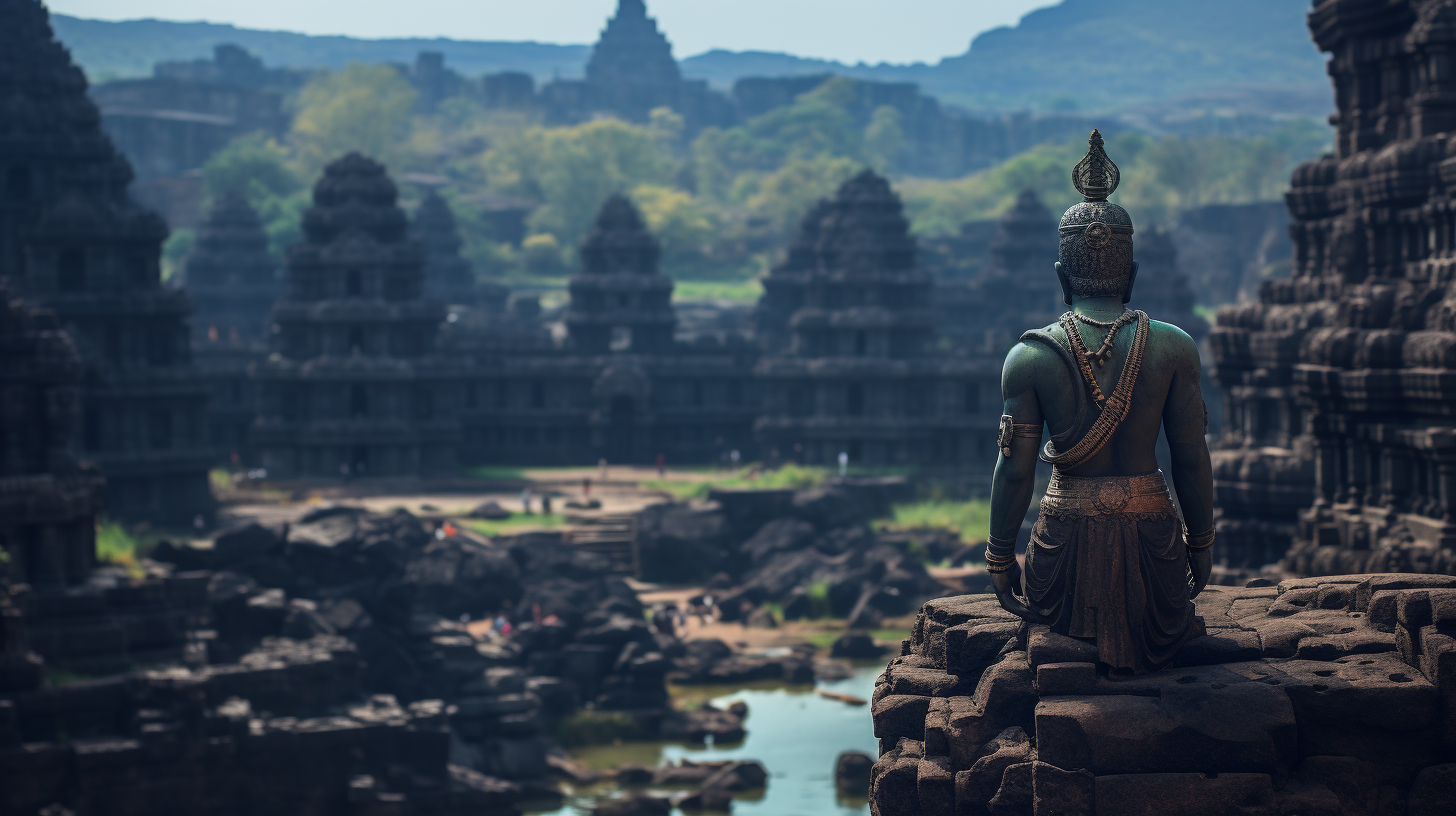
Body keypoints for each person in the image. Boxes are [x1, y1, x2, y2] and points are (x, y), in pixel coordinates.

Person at [988, 131, 1214, 676]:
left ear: (1063, 275)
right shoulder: (1174, 346)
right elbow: (1190, 455)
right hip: (1154, 546)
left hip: (1061, 550)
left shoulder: (1030, 356)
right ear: (1131, 274)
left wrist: (999, 555)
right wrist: (1200, 542)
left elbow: (1016, 470)